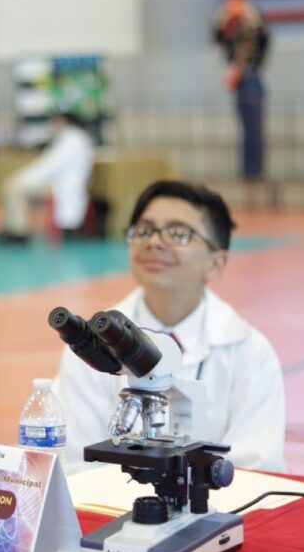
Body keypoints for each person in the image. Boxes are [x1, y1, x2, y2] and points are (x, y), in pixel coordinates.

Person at [53, 180, 286, 473]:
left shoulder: (249, 352)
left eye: (178, 234)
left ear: (216, 262)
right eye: (144, 230)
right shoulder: (92, 345)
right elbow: (74, 459)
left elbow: (257, 465)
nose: (154, 242)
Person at [0, 110, 95, 243]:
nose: (52, 126)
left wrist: (21, 178)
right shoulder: (75, 138)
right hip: (61, 183)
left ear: (62, 122)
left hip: (63, 186)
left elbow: (47, 167)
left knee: (13, 189)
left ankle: (18, 233)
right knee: (15, 186)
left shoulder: (71, 140)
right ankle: (17, 230)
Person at [213, 0, 270, 182]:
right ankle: (248, 172)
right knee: (247, 131)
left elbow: (264, 41)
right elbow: (218, 38)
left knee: (255, 131)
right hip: (241, 83)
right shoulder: (233, 35)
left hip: (252, 80)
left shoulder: (256, 33)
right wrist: (222, 19)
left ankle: (255, 172)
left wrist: (255, 21)